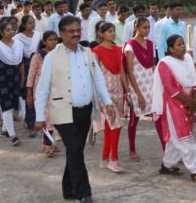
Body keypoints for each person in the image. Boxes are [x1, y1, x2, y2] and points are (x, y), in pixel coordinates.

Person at [35, 16, 115, 203]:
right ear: (61, 34)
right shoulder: (52, 57)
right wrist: (39, 117)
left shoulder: (88, 53)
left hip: (85, 111)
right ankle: (83, 193)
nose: (75, 34)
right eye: (71, 31)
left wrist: (108, 102)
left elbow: (99, 80)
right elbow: (42, 89)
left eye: (77, 30)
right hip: (63, 111)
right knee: (75, 148)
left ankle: (68, 188)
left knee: (75, 150)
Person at [152, 34, 196, 184]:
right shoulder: (165, 63)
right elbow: (169, 88)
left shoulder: (188, 60)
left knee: (176, 138)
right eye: (179, 44)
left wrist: (193, 101)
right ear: (170, 49)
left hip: (189, 103)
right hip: (173, 105)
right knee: (185, 139)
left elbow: (194, 81)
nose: (183, 46)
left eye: (183, 43)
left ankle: (167, 165)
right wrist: (189, 101)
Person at [91, 22, 128, 173]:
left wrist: (128, 93)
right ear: (101, 33)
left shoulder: (119, 50)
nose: (113, 34)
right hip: (104, 94)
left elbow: (122, 73)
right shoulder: (96, 51)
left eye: (113, 31)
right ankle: (114, 159)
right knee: (116, 125)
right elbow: (93, 75)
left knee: (110, 126)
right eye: (109, 31)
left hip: (118, 92)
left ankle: (104, 159)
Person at [124, 17, 160, 159]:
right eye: (144, 27)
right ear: (136, 27)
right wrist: (138, 94)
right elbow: (129, 72)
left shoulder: (150, 44)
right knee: (134, 120)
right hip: (136, 85)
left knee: (158, 116)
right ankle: (132, 149)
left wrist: (156, 85)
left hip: (150, 83)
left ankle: (167, 149)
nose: (146, 30)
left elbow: (152, 65)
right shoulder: (129, 46)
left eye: (148, 28)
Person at [0, 18, 26, 146]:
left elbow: (21, 64)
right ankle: (13, 135)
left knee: (13, 105)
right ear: (1, 31)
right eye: (7, 30)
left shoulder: (18, 45)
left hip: (15, 79)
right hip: (1, 80)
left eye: (12, 30)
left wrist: (22, 80)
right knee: (7, 106)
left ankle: (5, 130)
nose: (11, 32)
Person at [26, 30, 59, 155]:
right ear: (44, 41)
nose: (53, 42)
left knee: (53, 117)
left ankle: (49, 142)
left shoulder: (58, 54)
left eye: (55, 39)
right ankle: (47, 144)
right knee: (47, 118)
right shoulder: (38, 55)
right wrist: (29, 93)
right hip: (41, 91)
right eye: (50, 40)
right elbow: (31, 75)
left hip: (55, 89)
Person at [16, 15, 42, 136]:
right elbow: (18, 53)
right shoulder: (18, 37)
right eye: (30, 23)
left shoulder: (37, 35)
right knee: (28, 93)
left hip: (37, 63)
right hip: (24, 65)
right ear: (24, 24)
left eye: (33, 22)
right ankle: (30, 122)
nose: (32, 25)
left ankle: (40, 120)